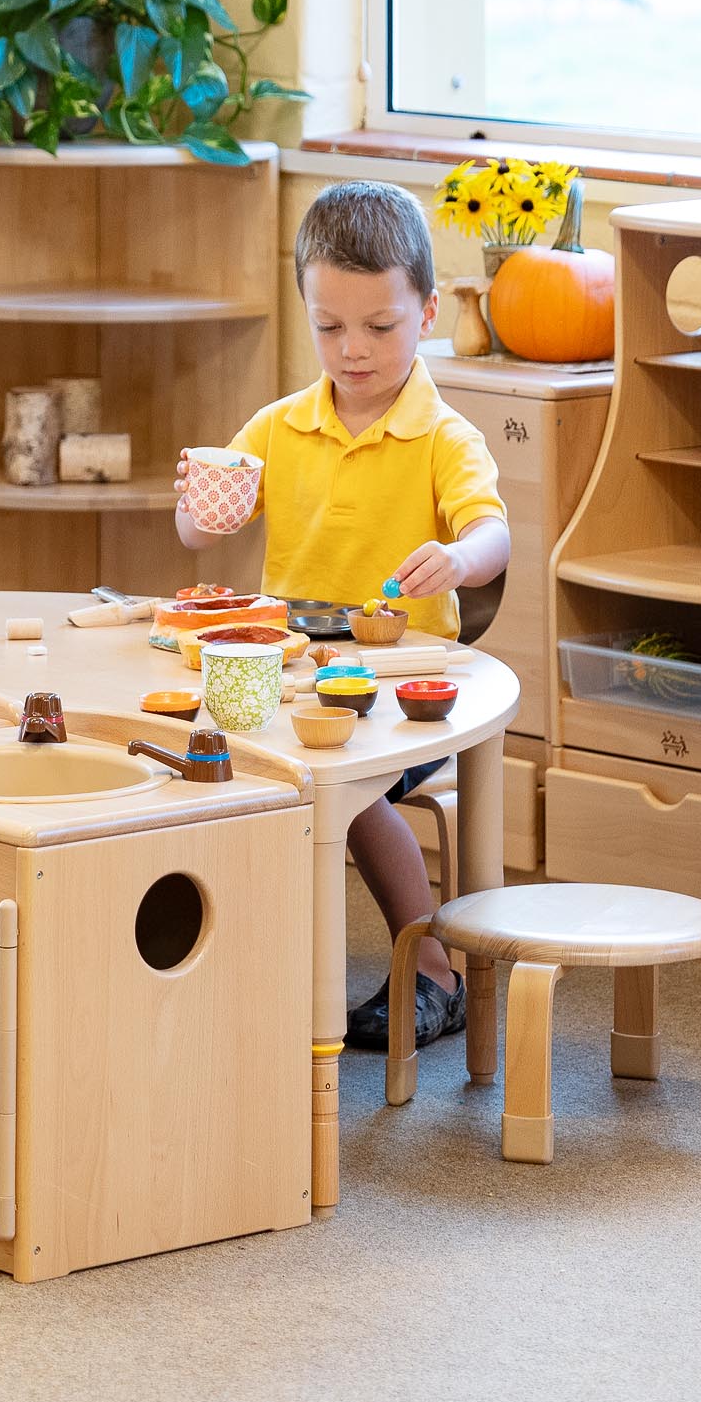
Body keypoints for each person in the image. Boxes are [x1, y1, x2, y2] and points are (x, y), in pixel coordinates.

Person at [174, 181, 510, 1049]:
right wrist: (198, 514)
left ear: (428, 312)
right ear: (306, 314)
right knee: (201, 757)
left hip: (402, 695)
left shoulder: (444, 438)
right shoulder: (279, 428)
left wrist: (459, 558)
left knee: (344, 789)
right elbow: (201, 526)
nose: (353, 350)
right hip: (291, 679)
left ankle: (435, 967)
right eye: (330, 328)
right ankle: (236, 968)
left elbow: (491, 535)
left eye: (380, 326)